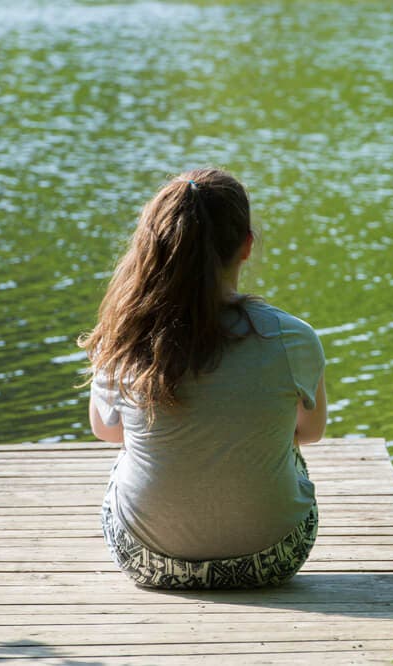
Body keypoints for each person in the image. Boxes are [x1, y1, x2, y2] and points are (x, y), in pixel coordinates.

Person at [78, 167, 327, 590]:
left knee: (130, 454)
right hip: (272, 557)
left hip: (148, 560)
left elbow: (106, 430)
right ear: (246, 246)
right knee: (285, 444)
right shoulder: (293, 338)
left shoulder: (125, 333)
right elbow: (311, 431)